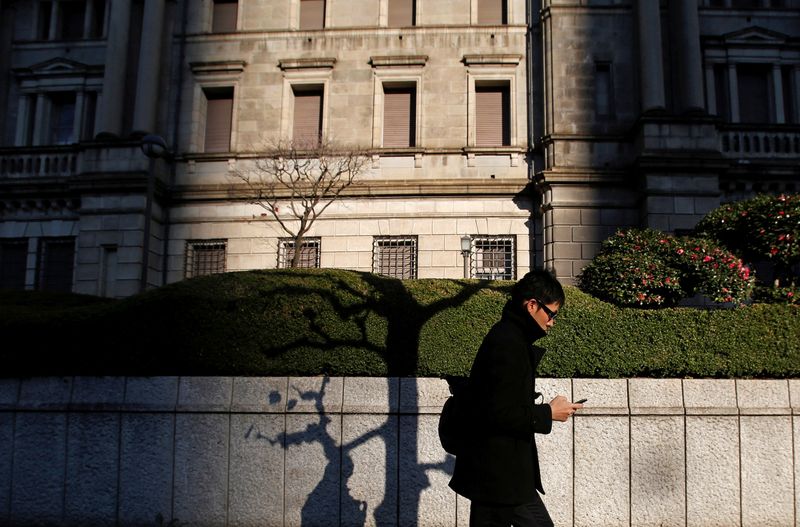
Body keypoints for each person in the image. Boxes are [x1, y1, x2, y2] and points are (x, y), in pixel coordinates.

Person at [449, 269, 582, 527]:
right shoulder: (507, 342)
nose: (552, 322)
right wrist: (548, 413)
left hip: (500, 475)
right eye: (551, 314)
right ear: (532, 305)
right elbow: (496, 413)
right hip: (500, 477)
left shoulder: (511, 337)